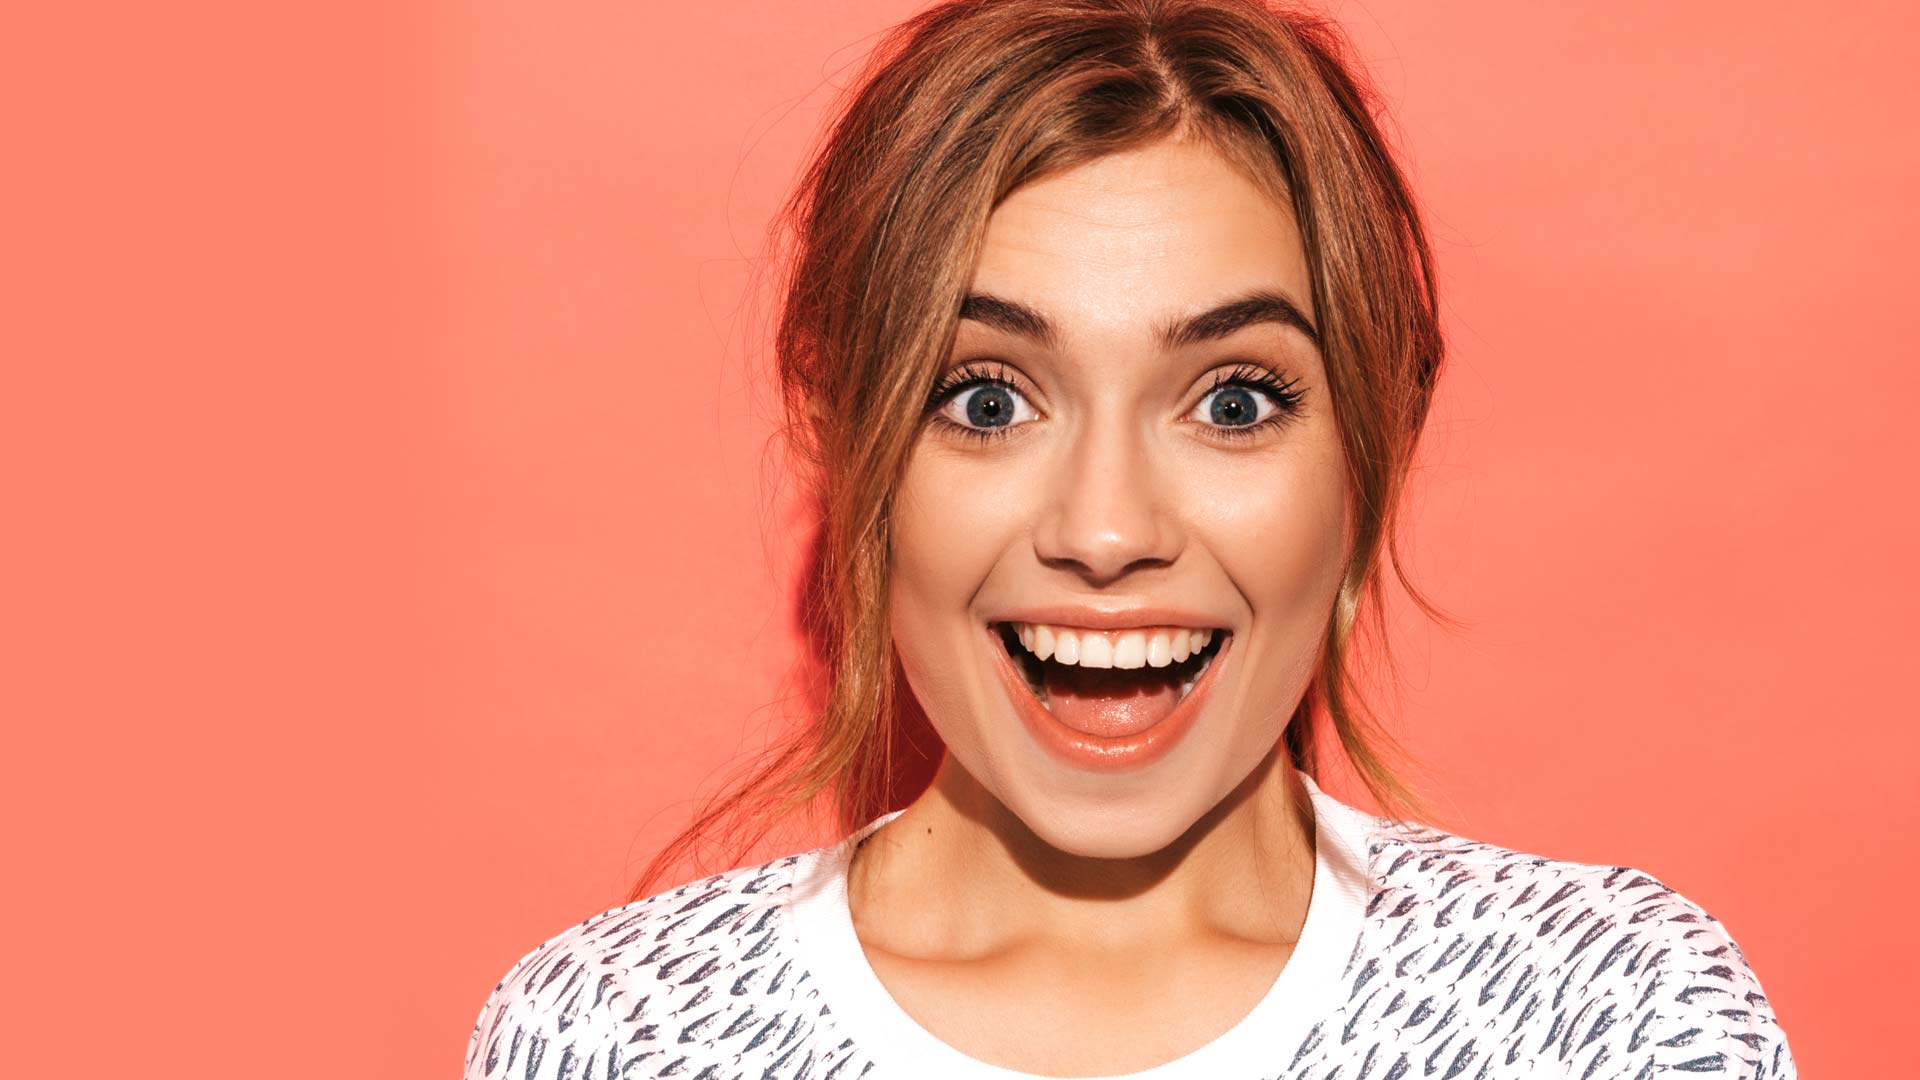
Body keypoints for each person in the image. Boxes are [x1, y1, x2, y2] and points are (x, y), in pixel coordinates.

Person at [461, 1, 1799, 1077]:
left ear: (1373, 440)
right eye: (984, 400)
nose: (1105, 531)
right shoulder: (614, 1041)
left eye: (1233, 401)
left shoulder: (1603, 1024)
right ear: (843, 433)